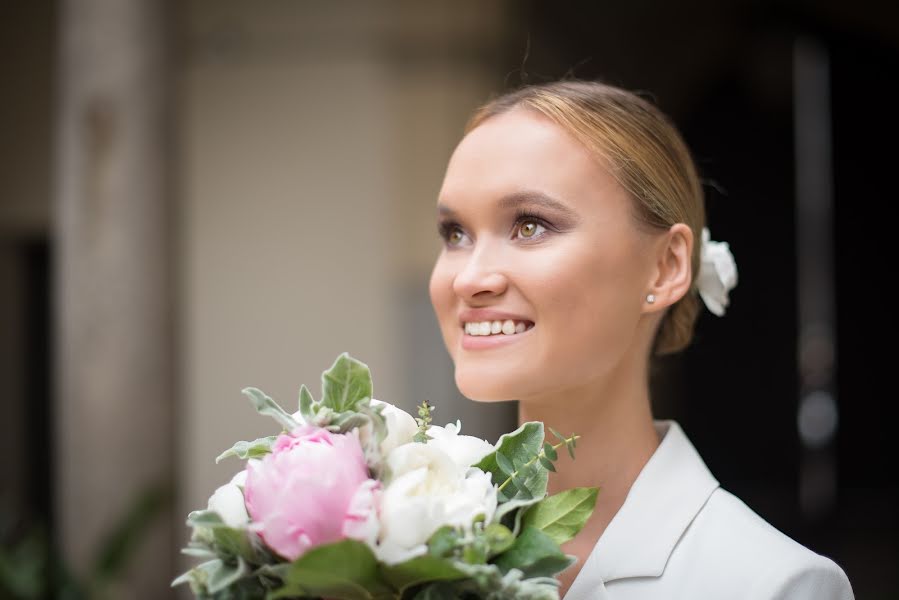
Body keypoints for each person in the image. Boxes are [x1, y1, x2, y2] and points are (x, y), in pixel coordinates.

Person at [427, 80, 854, 600]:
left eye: (531, 225)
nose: (468, 279)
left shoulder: (771, 584)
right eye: (456, 233)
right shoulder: (389, 536)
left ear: (665, 266)